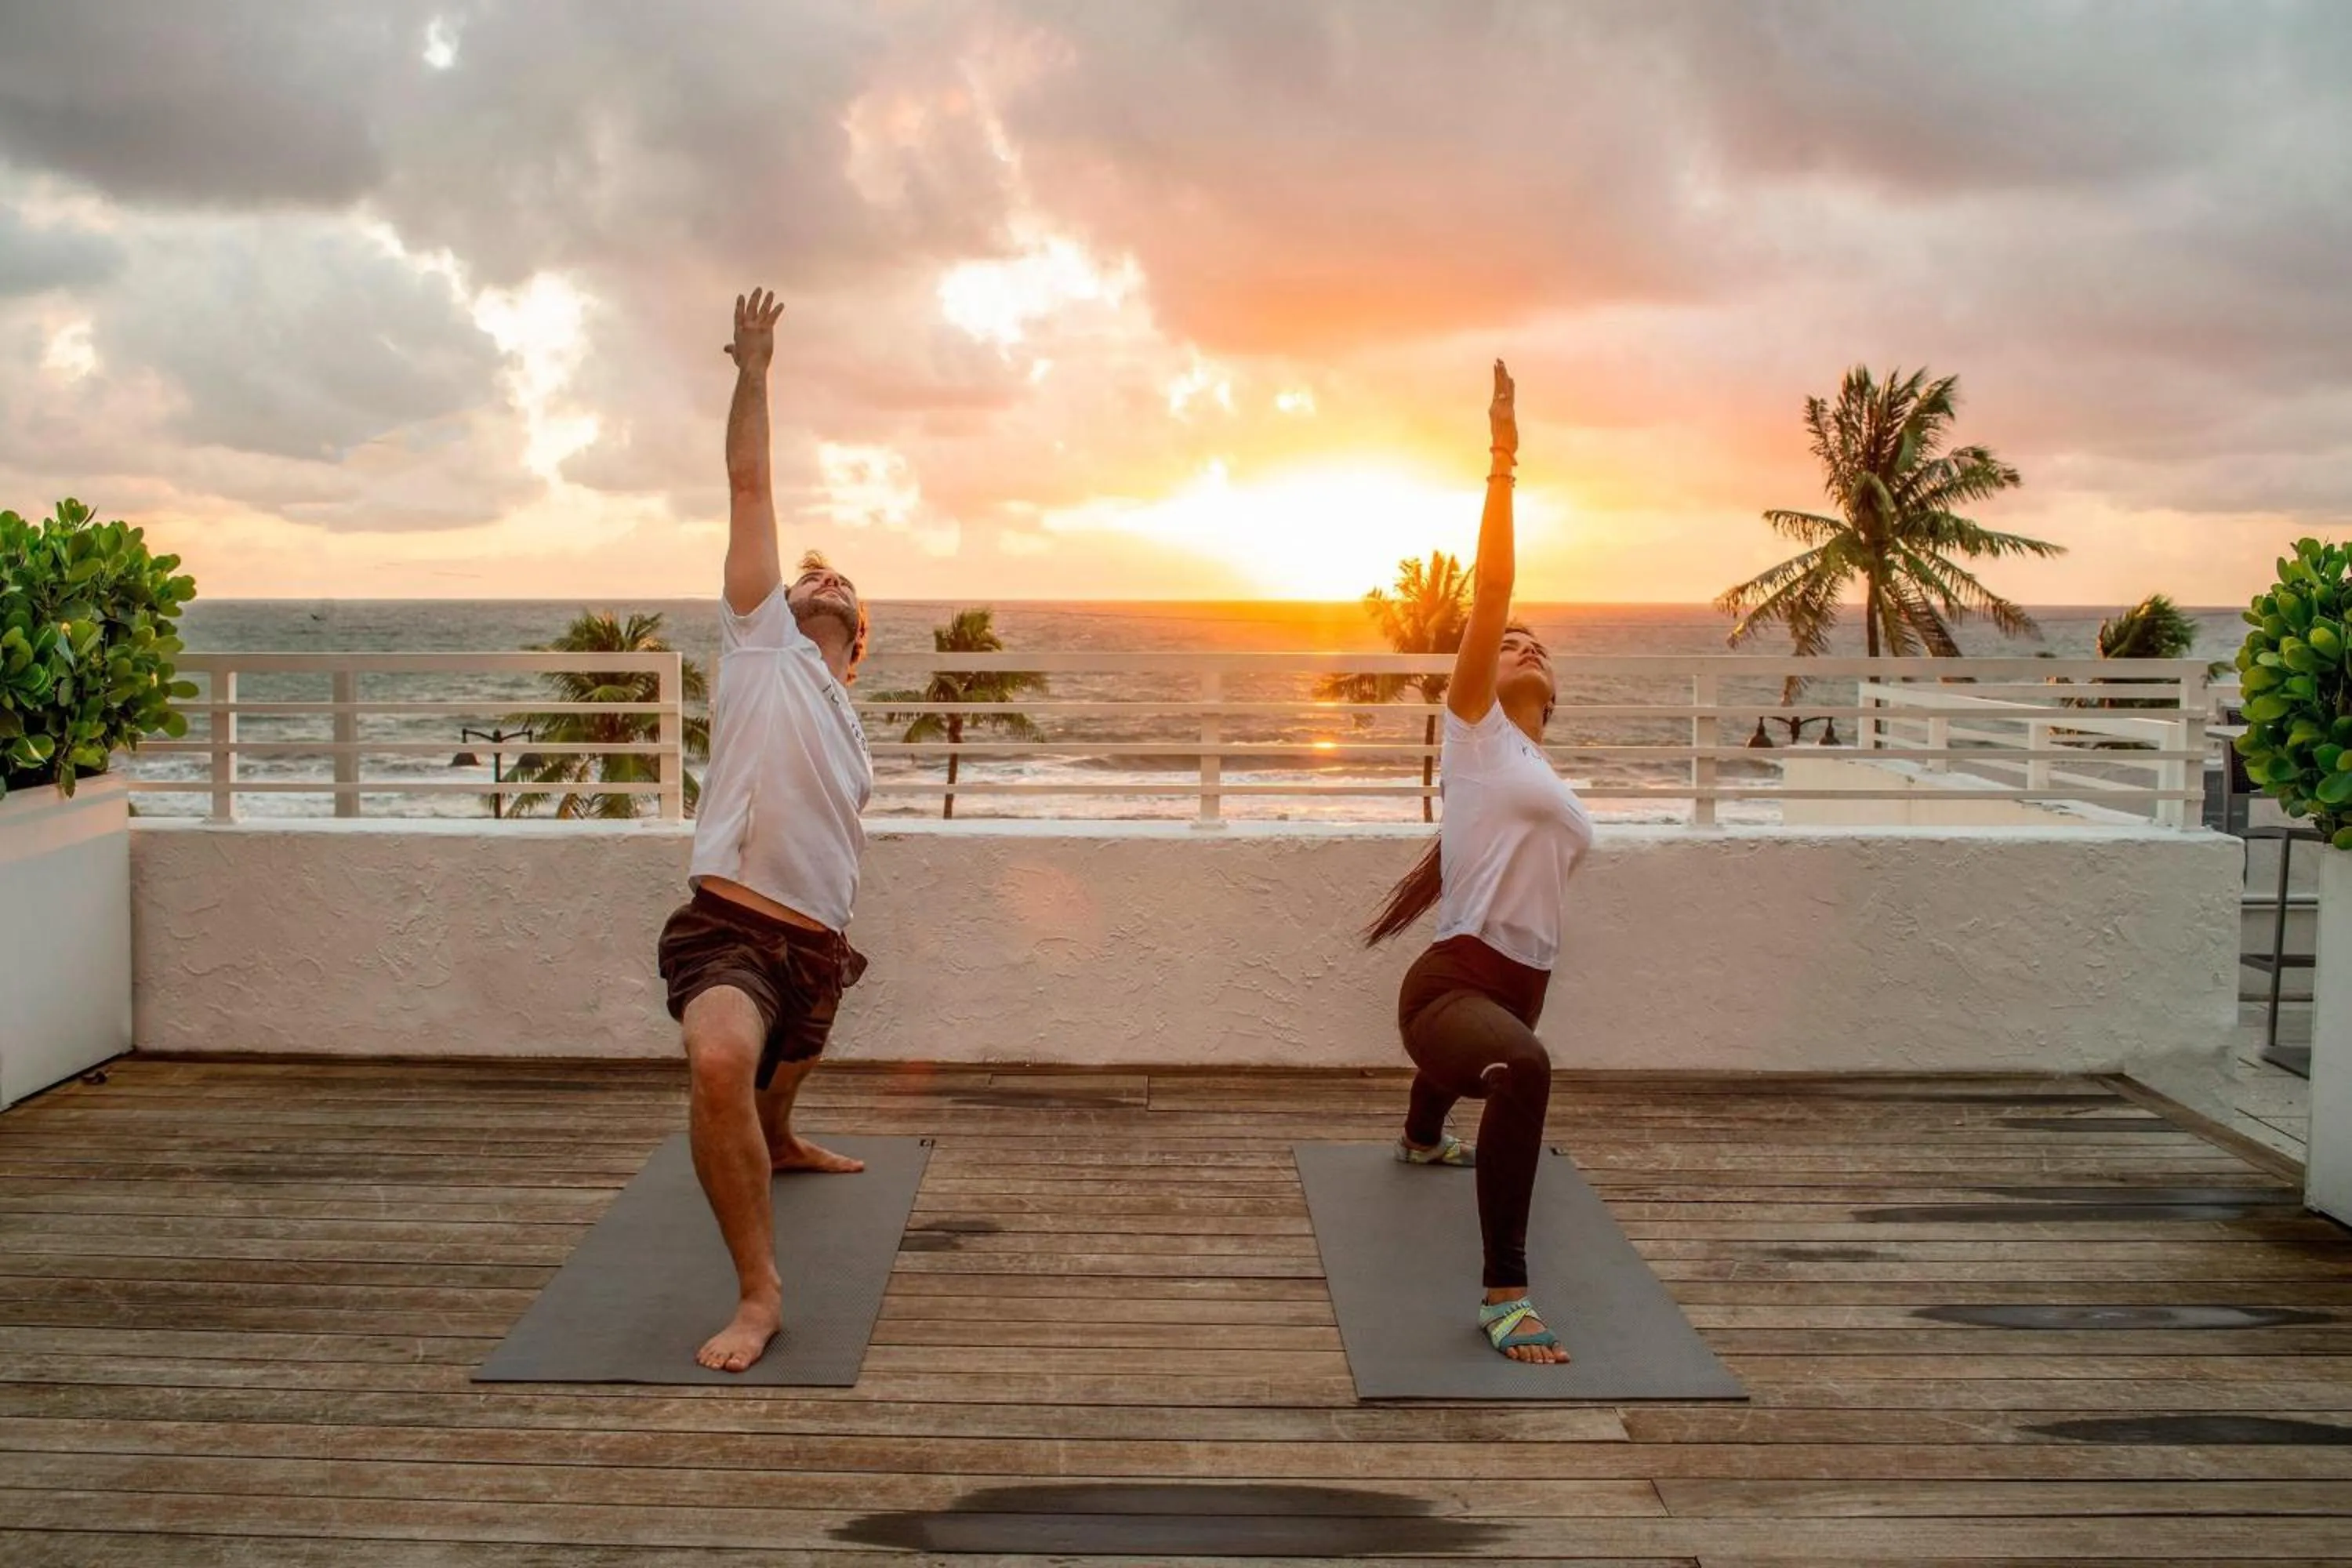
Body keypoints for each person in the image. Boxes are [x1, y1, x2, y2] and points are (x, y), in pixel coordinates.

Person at [655, 288, 876, 1374]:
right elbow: (749, 484)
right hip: (732, 928)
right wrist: (755, 372)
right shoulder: (762, 646)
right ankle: (760, 1292)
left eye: (841, 588)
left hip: (817, 945)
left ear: (859, 644)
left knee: (784, 1070)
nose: (819, 582)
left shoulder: (851, 725)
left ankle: (779, 1138)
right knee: (721, 1063)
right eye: (809, 579)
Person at [1363, 360, 1592, 1365]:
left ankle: (1420, 1135)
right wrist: (1503, 456)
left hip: (1516, 983)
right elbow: (1493, 586)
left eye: (1539, 644)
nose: (1524, 643)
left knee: (1504, 1057)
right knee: (1527, 1069)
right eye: (1512, 642)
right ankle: (1507, 1290)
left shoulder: (1541, 771)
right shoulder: (1478, 734)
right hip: (1449, 986)